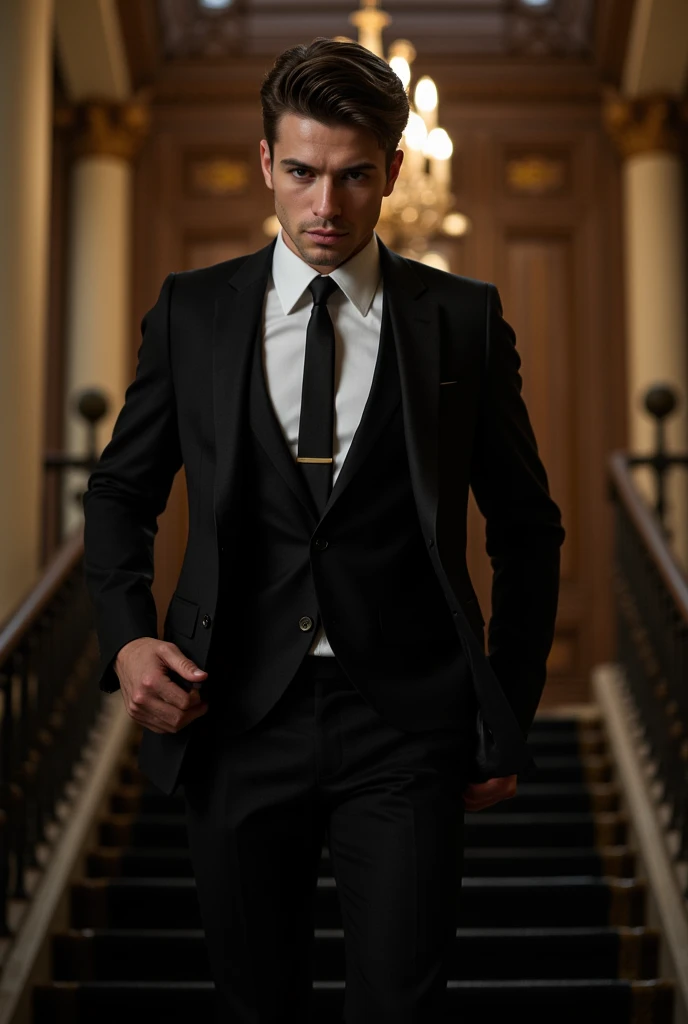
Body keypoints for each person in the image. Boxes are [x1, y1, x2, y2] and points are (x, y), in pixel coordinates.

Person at [82, 37, 565, 1024]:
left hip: (406, 726)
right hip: (231, 716)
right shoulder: (192, 314)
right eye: (299, 173)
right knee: (256, 1004)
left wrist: (503, 704)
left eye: (353, 177)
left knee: (400, 1006)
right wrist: (128, 637)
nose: (324, 207)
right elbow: (119, 495)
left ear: (393, 170)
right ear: (265, 162)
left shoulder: (462, 321)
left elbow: (526, 527)